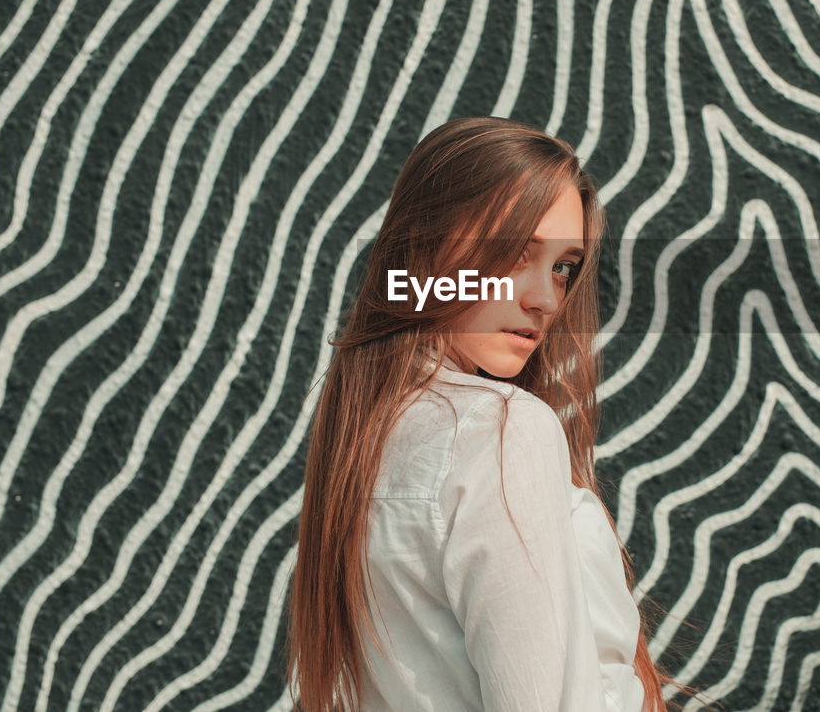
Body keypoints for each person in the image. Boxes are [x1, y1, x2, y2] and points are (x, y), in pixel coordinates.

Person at [284, 117, 686, 711]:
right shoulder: (500, 429)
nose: (546, 298)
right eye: (514, 252)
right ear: (427, 245)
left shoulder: (364, 436)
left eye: (562, 267)